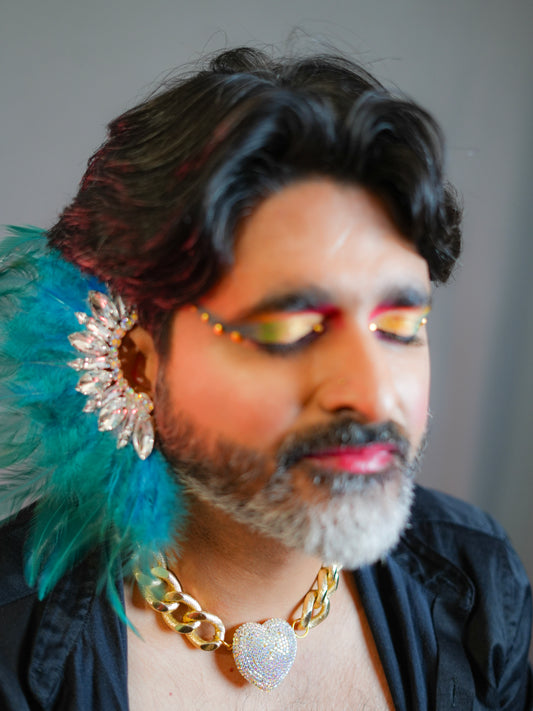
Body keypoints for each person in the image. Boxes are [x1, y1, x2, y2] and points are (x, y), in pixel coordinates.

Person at [0, 46, 531, 710]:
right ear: (137, 362)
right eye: (291, 331)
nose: (371, 394)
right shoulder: (12, 650)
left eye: (401, 326)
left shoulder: (478, 582)